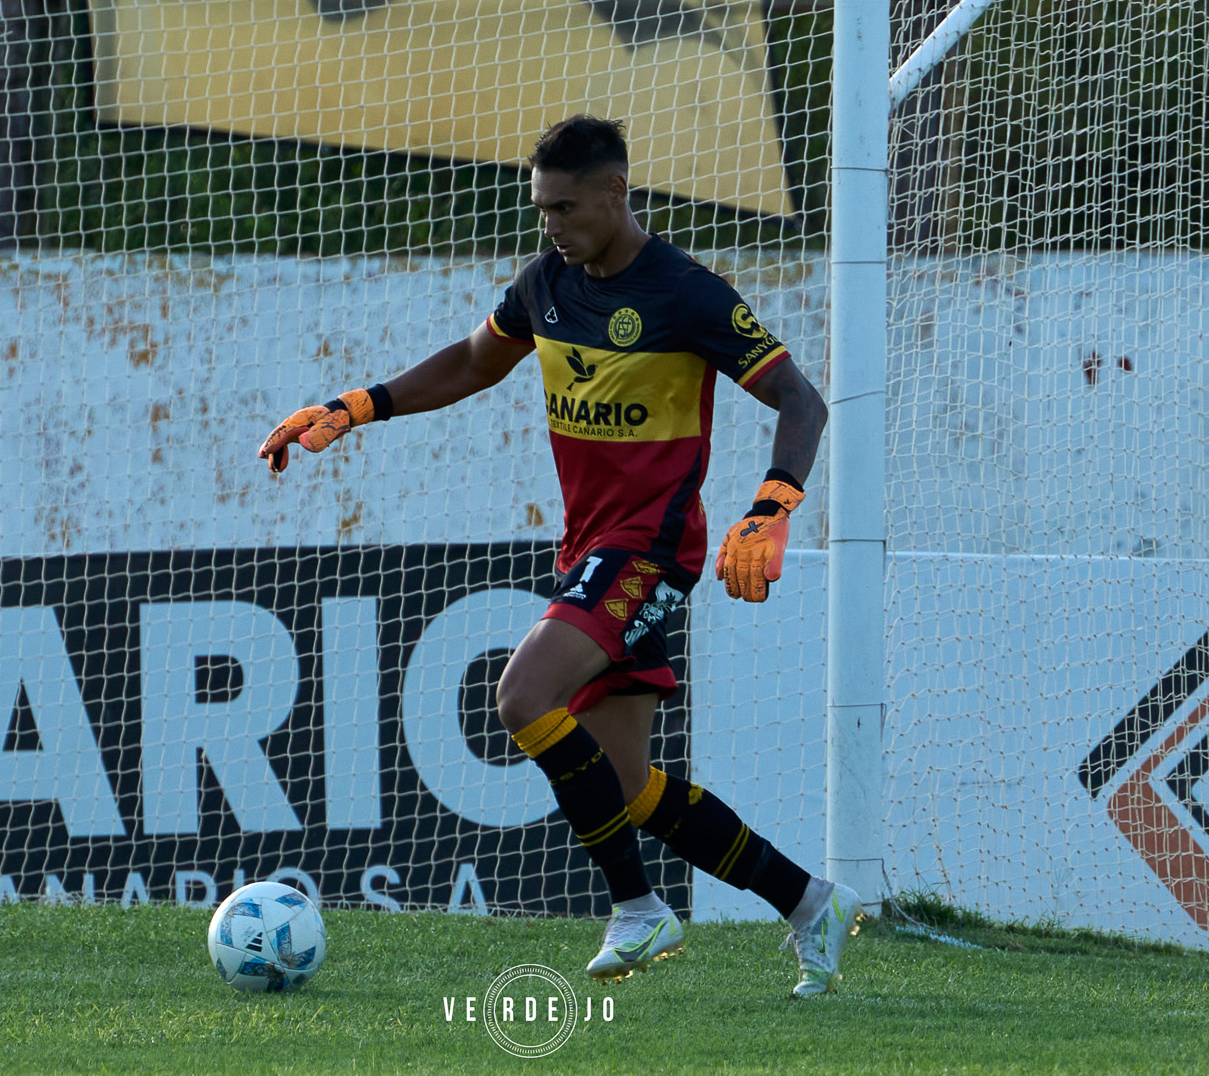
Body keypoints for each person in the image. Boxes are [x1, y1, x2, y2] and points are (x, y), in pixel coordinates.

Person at [259, 115, 864, 997]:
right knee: (625, 787)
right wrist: (356, 405)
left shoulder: (686, 292)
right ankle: (811, 903)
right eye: (541, 207)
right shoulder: (547, 282)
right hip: (590, 549)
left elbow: (800, 401)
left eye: (566, 207)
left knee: (520, 695)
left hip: (650, 552)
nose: (550, 224)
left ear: (617, 194)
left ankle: (637, 909)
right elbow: (472, 363)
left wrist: (772, 505)